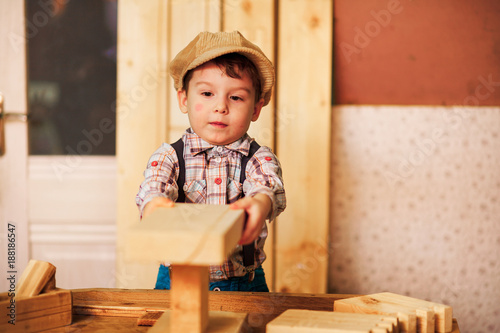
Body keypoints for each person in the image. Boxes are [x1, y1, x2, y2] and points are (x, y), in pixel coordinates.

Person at [136, 31, 286, 292]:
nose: (220, 107)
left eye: (236, 97)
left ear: (255, 109)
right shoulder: (169, 156)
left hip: (242, 283)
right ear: (184, 100)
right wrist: (155, 205)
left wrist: (260, 203)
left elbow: (268, 185)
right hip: (177, 281)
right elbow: (154, 186)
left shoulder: (258, 158)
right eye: (207, 94)